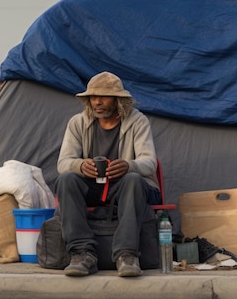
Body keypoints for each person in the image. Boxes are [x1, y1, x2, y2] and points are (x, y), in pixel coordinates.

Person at [56, 71, 161, 277]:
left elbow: (149, 162)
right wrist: (80, 166)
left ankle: (127, 255)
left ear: (118, 100)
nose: (97, 102)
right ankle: (82, 253)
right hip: (94, 187)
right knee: (66, 179)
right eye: (92, 97)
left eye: (103, 97)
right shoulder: (78, 122)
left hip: (128, 187)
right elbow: (63, 163)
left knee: (133, 179)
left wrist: (128, 166)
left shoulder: (137, 121)